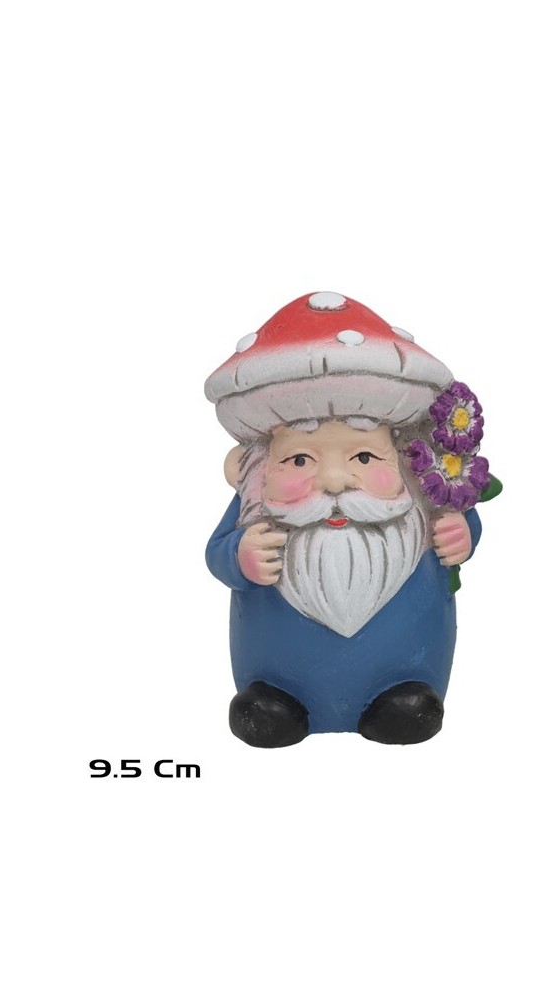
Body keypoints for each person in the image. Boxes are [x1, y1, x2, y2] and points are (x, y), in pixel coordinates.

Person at [205, 291, 496, 747]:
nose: (335, 480)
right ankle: (277, 702)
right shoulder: (256, 504)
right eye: (299, 460)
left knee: (406, 706)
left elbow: (461, 524)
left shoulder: (421, 494)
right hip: (278, 670)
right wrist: (239, 556)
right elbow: (218, 552)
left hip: (404, 669)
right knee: (271, 709)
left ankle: (400, 698)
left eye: (363, 456)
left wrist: (463, 532)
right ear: (256, 466)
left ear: (403, 454)